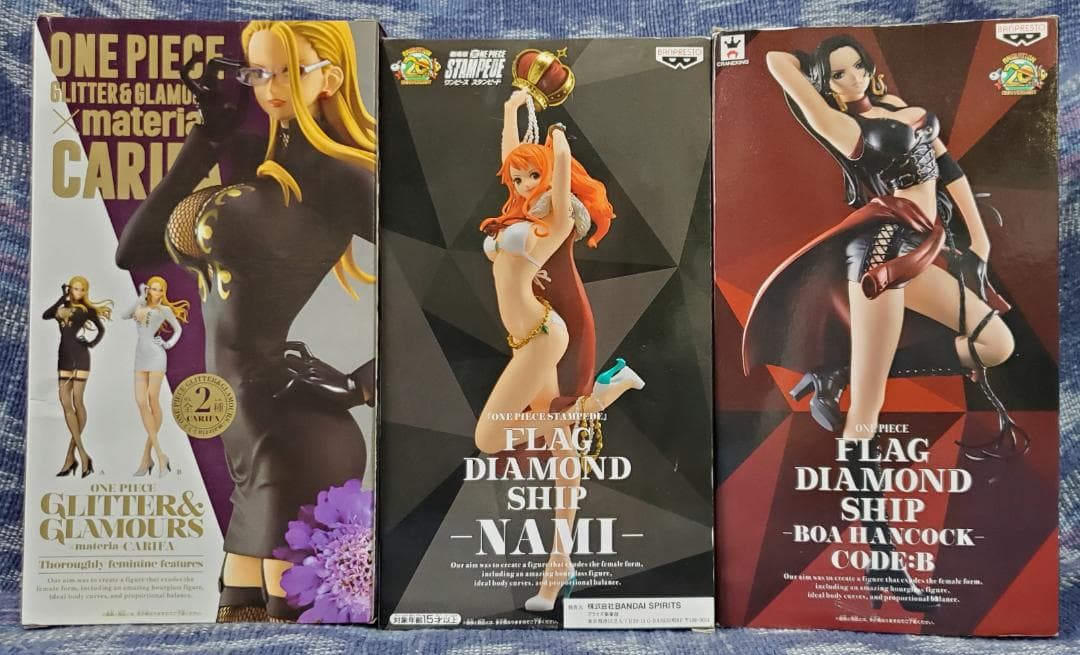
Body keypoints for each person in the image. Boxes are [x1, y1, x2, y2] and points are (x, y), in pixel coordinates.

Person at [744, 34, 1025, 612]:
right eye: (837, 74)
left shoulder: (899, 107)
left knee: (995, 342)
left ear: (870, 67)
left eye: (856, 67)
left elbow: (947, 165)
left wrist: (979, 238)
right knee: (865, 419)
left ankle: (835, 371)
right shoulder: (839, 126)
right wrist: (816, 78)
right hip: (881, 258)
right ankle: (885, 562)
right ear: (825, 85)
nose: (851, 79)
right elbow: (776, 61)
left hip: (921, 247)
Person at [116, 20, 376, 622]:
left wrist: (362, 384)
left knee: (287, 621)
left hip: (295, 434)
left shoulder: (339, 177)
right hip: (242, 432)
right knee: (237, 616)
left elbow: (444, 289)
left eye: (288, 71)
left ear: (330, 78)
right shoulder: (250, 157)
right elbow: (134, 252)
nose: (269, 87)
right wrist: (207, 139)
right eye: (258, 71)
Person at [476, 89, 644, 612]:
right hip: (527, 337)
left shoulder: (556, 222)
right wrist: (512, 112)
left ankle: (606, 394)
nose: (525, 184)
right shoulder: (520, 214)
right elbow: (513, 160)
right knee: (558, 438)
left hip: (547, 334)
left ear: (552, 179)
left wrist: (559, 140)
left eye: (535, 177)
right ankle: (558, 565)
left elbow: (560, 174)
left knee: (489, 438)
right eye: (520, 179)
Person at [43, 275, 112, 478]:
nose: (79, 292)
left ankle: (71, 457)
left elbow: (101, 330)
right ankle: (82, 454)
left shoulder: (86, 310)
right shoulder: (61, 308)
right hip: (64, 356)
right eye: (75, 288)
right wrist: (62, 297)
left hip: (81, 357)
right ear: (70, 289)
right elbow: (46, 315)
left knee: (77, 402)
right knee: (65, 403)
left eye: (82, 290)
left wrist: (90, 344)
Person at [122, 275, 188, 477]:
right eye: (153, 288)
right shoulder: (140, 306)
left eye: (160, 289)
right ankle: (159, 455)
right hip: (140, 357)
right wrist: (140, 296)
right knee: (141, 402)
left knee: (152, 399)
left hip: (157, 356)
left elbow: (178, 330)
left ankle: (148, 457)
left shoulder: (164, 310)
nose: (156, 292)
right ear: (148, 289)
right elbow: (124, 315)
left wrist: (168, 344)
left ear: (163, 292)